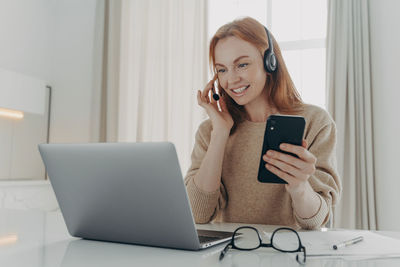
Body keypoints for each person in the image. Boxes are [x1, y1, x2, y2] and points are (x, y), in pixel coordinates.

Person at [184, 17, 341, 230]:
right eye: (222, 70)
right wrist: (220, 132)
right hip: (228, 257)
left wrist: (299, 187)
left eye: (242, 65)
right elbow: (197, 215)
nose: (231, 80)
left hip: (289, 255)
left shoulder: (314, 122)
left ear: (270, 63)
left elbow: (315, 221)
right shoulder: (210, 130)